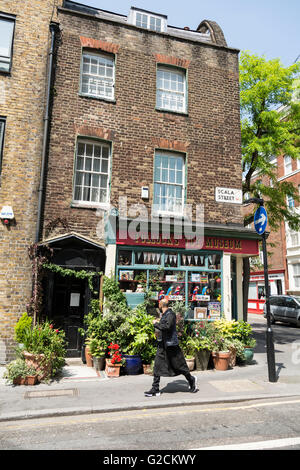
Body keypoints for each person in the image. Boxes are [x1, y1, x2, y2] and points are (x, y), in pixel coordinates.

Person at [144, 298, 198, 397]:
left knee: (180, 366)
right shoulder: (165, 315)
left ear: (161, 305)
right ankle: (155, 389)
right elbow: (163, 326)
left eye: (158, 305)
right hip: (163, 345)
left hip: (171, 345)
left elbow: (167, 327)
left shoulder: (170, 314)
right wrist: (158, 323)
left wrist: (156, 323)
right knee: (157, 366)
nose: (158, 307)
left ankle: (191, 380)